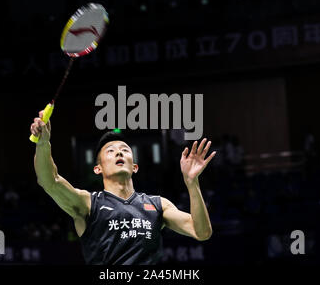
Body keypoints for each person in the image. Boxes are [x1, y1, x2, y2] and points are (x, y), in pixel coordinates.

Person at [30, 111, 215, 265]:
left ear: (134, 167)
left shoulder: (158, 204)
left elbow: (201, 232)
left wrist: (192, 183)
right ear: (98, 169)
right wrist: (43, 143)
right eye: (110, 151)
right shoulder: (88, 203)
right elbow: (50, 181)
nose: (119, 152)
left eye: (125, 150)